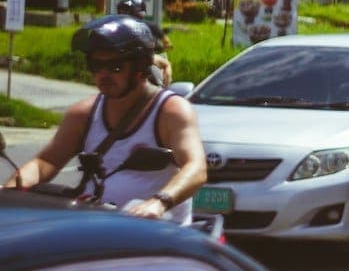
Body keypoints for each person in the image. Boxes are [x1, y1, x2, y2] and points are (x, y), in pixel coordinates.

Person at [5, 15, 206, 222]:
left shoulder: (171, 112)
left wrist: (159, 202)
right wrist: (8, 194)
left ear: (139, 68)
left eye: (115, 66)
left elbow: (196, 168)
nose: (103, 74)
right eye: (95, 65)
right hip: (99, 231)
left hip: (158, 238)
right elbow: (44, 163)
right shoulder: (83, 114)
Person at [117, 0, 172, 87]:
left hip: (131, 56)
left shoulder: (121, 27)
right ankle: (165, 89)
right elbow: (167, 42)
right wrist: (164, 47)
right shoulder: (150, 25)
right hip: (146, 56)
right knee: (166, 65)